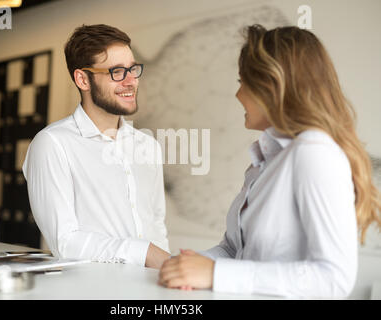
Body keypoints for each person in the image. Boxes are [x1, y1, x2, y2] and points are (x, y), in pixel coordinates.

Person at [158, 24, 381, 298]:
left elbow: (334, 279)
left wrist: (215, 274)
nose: (238, 94)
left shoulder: (315, 153)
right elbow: (234, 249)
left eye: (242, 82)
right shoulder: (266, 161)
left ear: (271, 86)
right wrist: (191, 263)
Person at [23, 24, 170, 269]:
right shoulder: (52, 144)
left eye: (133, 69)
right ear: (83, 79)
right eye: (117, 72)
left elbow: (156, 224)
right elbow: (65, 242)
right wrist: (144, 253)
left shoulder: (148, 145)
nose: (131, 81)